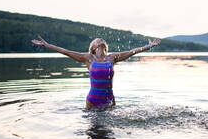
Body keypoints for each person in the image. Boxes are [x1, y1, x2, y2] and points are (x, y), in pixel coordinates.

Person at [31, 36, 161, 109]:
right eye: (97, 40)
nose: (100, 40)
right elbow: (65, 51)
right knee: (94, 135)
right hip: (93, 100)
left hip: (110, 99)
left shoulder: (113, 58)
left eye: (101, 40)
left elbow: (133, 51)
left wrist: (149, 46)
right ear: (93, 47)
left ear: (105, 46)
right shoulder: (88, 58)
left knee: (108, 135)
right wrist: (46, 45)